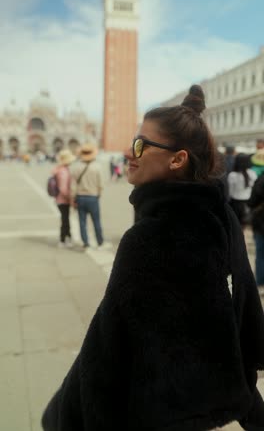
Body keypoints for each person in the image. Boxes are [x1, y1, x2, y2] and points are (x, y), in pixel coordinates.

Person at [42, 86, 264, 431]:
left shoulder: (147, 238)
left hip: (156, 413)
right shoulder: (222, 216)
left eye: (141, 145)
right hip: (205, 399)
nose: (129, 153)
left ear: (178, 159)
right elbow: (243, 301)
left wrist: (63, 415)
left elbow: (106, 351)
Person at [70, 143, 108, 252]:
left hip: (80, 197)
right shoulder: (97, 167)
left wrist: (73, 198)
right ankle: (100, 243)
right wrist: (98, 195)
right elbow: (101, 185)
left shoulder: (76, 167)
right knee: (96, 221)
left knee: (82, 222)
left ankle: (86, 244)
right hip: (93, 197)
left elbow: (73, 186)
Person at [52, 149, 76, 248]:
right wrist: (70, 199)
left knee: (65, 219)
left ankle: (68, 237)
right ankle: (63, 240)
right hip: (63, 200)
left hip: (59, 199)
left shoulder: (60, 169)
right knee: (65, 220)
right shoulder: (63, 172)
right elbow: (63, 189)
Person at [248, 150, 264, 293]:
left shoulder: (261, 180)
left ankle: (260, 283)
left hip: (261, 223)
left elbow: (252, 202)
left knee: (260, 253)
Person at [227, 153, 257, 227]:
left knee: (236, 225)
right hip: (248, 203)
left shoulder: (232, 175)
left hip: (235, 203)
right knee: (245, 224)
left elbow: (230, 192)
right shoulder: (253, 174)